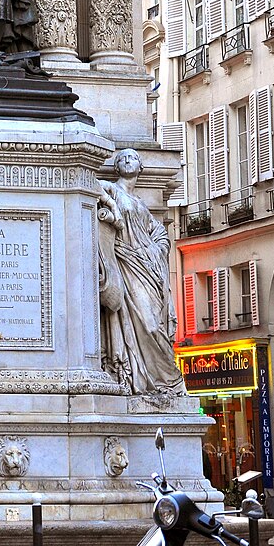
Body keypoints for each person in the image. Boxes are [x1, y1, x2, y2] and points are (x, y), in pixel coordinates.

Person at [97, 148, 186, 397]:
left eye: (133, 157)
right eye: (122, 158)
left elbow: (158, 233)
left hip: (145, 266)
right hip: (126, 263)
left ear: (141, 167)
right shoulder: (113, 190)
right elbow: (92, 184)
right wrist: (112, 206)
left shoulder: (141, 205)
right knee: (148, 324)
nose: (127, 160)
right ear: (116, 167)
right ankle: (158, 379)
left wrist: (155, 250)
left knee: (154, 323)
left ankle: (164, 381)